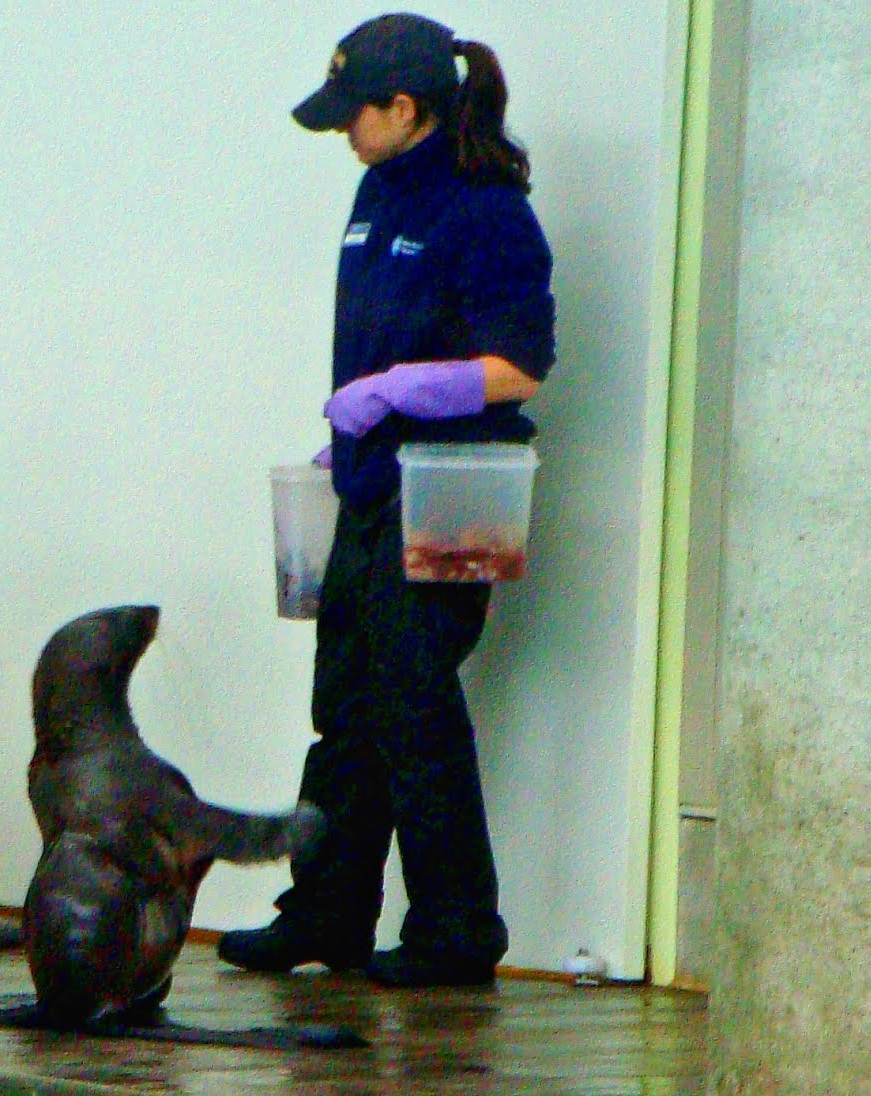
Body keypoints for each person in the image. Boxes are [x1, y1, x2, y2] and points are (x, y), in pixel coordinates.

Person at [218, 13, 556, 987]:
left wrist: (399, 390)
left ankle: (454, 934)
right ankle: (323, 913)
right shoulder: (376, 192)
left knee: (415, 705)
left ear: (402, 108)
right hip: (371, 486)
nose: (340, 133)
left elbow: (516, 368)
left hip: (456, 490)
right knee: (346, 703)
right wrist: (342, 437)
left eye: (351, 114)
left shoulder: (487, 211)